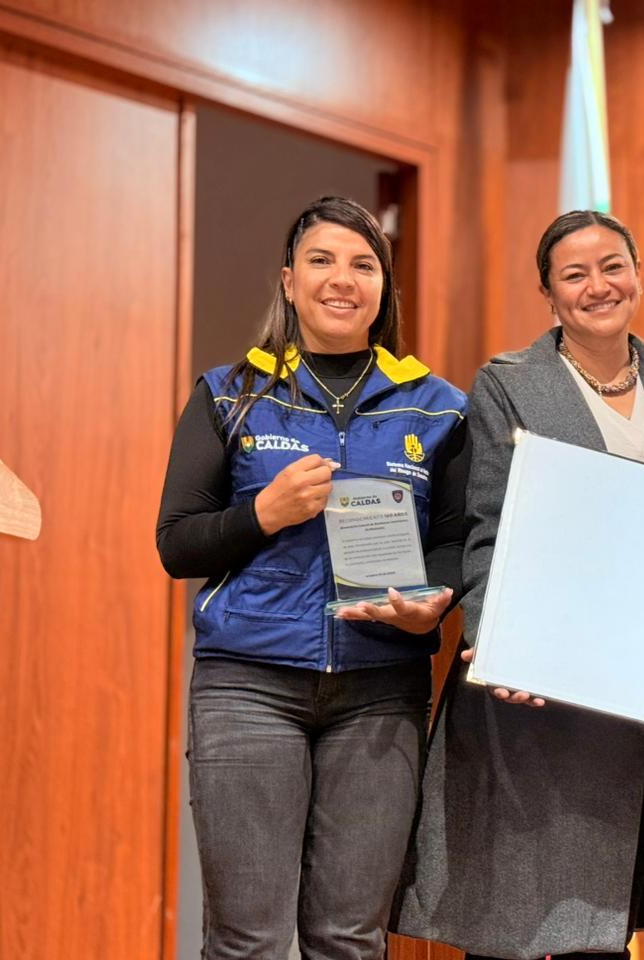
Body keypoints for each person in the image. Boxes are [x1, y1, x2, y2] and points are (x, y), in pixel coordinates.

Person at [393, 210, 644, 959]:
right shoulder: (509, 384)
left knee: (603, 923)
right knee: (510, 915)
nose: (598, 286)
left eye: (612, 266)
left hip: (639, 693)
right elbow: (487, 521)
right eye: (574, 275)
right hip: (539, 689)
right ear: (549, 293)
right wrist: (499, 643)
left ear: (637, 274)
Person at [155, 196, 467, 960]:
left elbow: (462, 543)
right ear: (289, 281)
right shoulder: (229, 393)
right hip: (247, 685)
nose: (343, 279)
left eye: (364, 264)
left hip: (382, 692)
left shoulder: (441, 408)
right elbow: (176, 544)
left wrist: (434, 605)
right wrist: (262, 512)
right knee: (248, 940)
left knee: (350, 938)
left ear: (384, 289)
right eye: (322, 261)